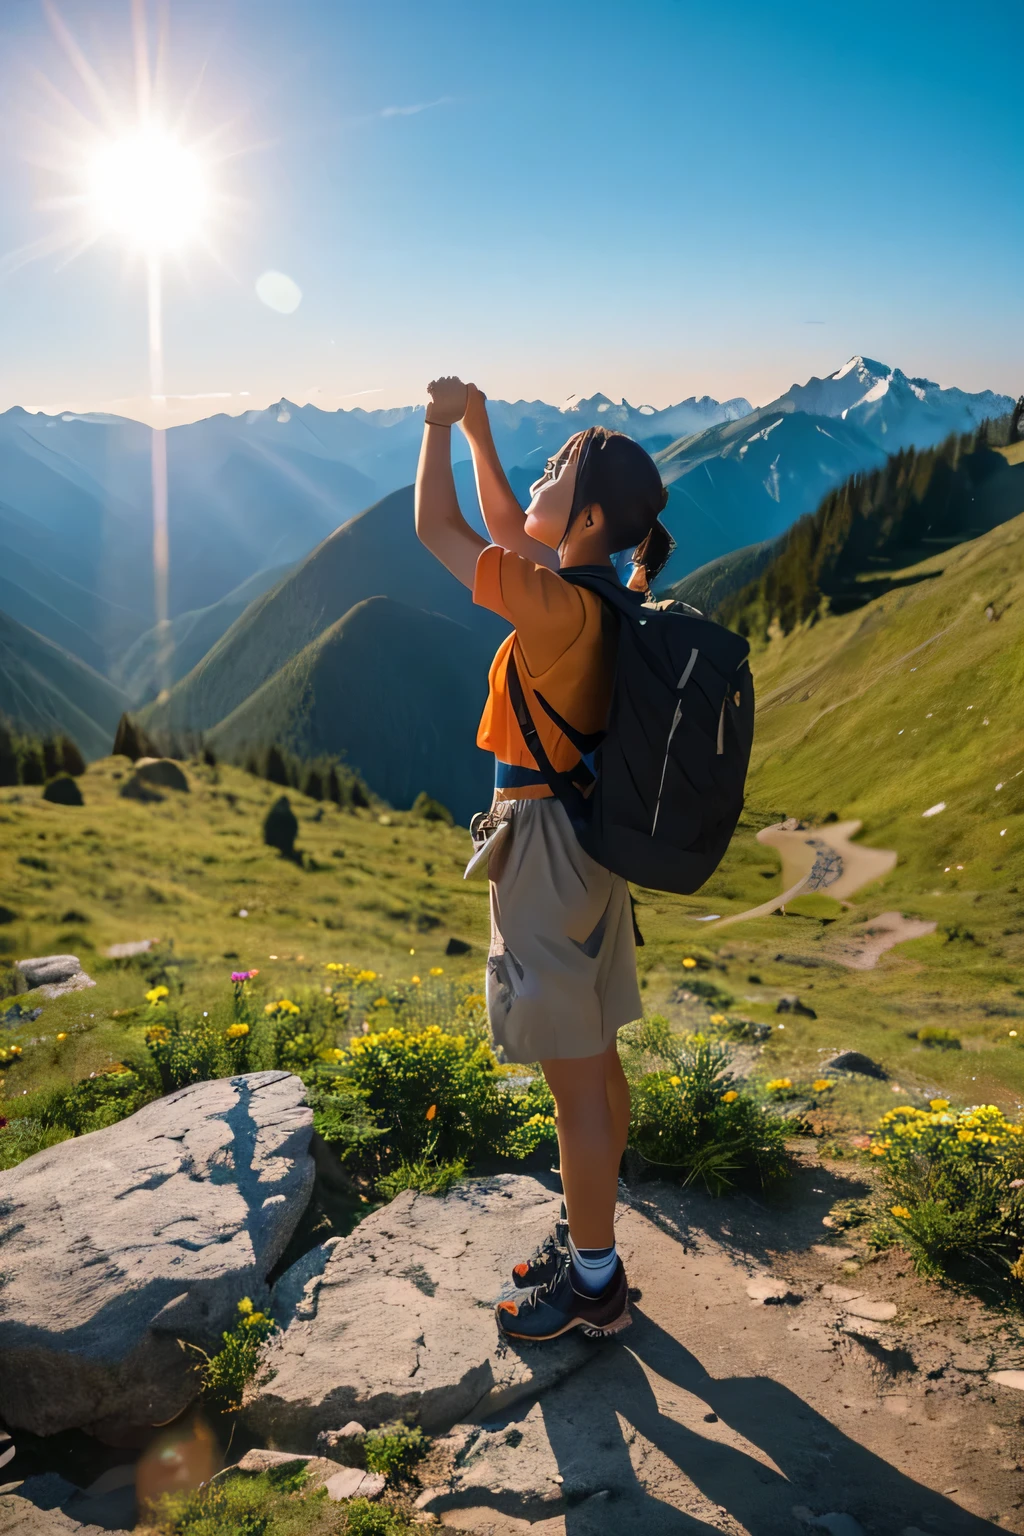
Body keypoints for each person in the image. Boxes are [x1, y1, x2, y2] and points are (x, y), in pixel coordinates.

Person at [414, 375, 673, 1342]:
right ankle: (589, 1233)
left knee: (573, 1085)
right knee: (597, 1059)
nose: (540, 478)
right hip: (591, 847)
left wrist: (435, 429)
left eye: (557, 470)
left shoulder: (558, 607)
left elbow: (439, 528)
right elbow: (499, 520)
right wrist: (483, 431)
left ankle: (594, 1283)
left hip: (543, 850)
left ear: (592, 514)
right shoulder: (606, 591)